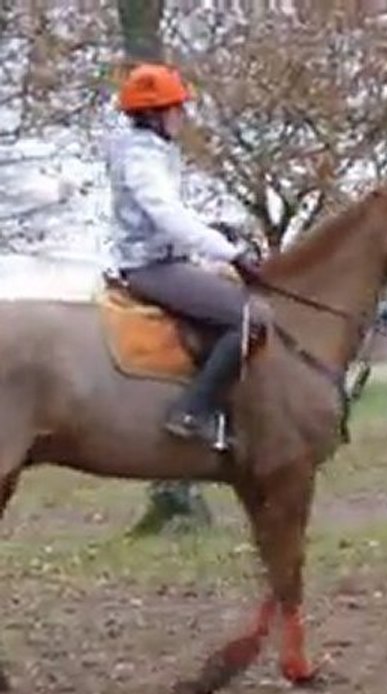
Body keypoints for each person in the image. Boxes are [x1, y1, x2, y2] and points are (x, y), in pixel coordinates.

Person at [106, 63, 265, 444]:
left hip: (167, 260)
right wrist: (230, 253)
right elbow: (167, 215)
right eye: (176, 108)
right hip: (151, 267)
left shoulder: (151, 151)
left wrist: (214, 232)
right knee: (248, 318)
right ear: (153, 114)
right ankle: (192, 412)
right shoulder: (141, 158)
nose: (182, 116)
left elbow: (173, 217)